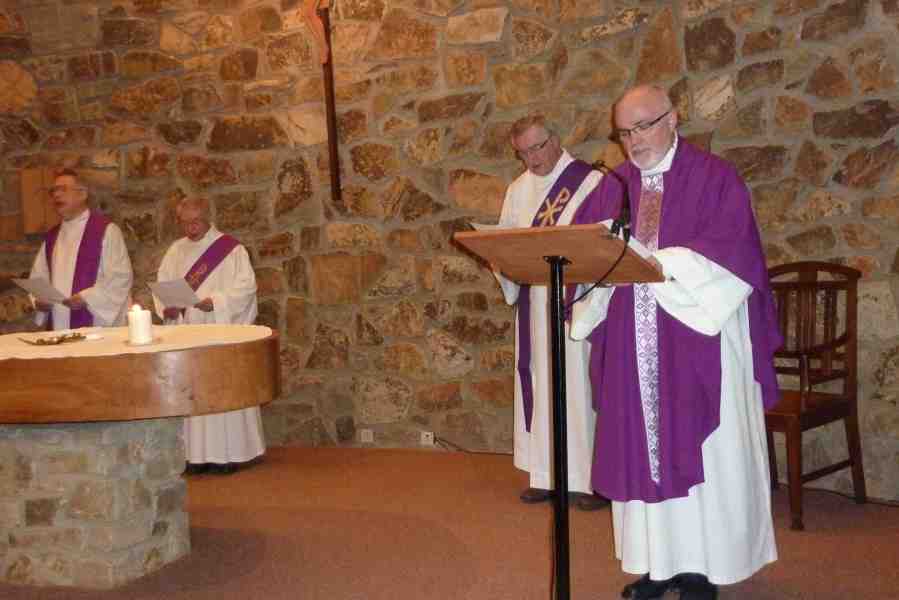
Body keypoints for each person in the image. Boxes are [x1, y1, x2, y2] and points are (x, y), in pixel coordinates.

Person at [570, 85, 782, 599]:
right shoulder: (614, 186)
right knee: (639, 449)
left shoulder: (715, 178)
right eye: (624, 132)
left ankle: (702, 567)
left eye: (643, 126)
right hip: (632, 347)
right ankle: (656, 565)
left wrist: (656, 263)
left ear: (673, 118)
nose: (633, 141)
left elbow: (732, 255)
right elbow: (587, 253)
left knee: (705, 451)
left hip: (697, 343)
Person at [494, 114, 608, 511]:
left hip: (574, 302)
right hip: (535, 305)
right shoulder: (518, 189)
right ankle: (545, 474)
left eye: (538, 147)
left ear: (556, 140)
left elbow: (603, 241)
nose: (532, 159)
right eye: (523, 153)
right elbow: (505, 242)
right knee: (541, 383)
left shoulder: (589, 182)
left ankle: (591, 479)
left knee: (578, 386)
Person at [153, 196, 264, 475]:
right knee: (192, 392)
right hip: (188, 333)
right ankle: (194, 456)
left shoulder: (231, 250)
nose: (190, 228)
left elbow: (246, 289)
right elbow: (163, 286)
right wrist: (168, 306)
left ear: (208, 218)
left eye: (196, 222)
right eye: (185, 223)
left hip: (219, 332)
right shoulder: (175, 251)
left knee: (220, 389)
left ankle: (229, 454)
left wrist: (214, 302)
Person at [30, 168, 132, 331]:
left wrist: (87, 298)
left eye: (63, 189)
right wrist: (39, 301)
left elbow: (120, 277)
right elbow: (38, 279)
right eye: (54, 191)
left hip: (97, 326)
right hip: (60, 323)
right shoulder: (51, 237)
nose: (57, 195)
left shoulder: (106, 231)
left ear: (83, 194)